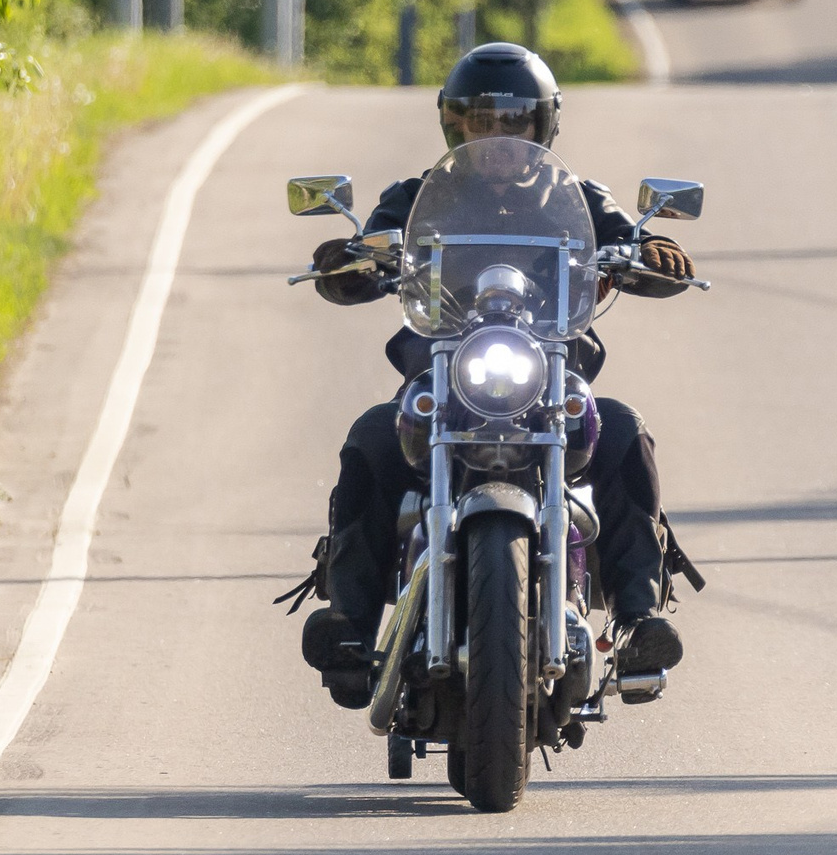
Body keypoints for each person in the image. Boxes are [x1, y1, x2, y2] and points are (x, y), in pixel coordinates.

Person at [291, 43, 698, 708]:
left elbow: (635, 239)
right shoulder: (421, 195)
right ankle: (352, 624)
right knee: (372, 435)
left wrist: (654, 251)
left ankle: (637, 617)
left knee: (622, 429)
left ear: (542, 127)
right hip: (448, 369)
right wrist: (349, 257)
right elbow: (369, 247)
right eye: (483, 123)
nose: (500, 140)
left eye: (515, 125)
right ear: (456, 126)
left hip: (547, 372)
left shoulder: (578, 196)